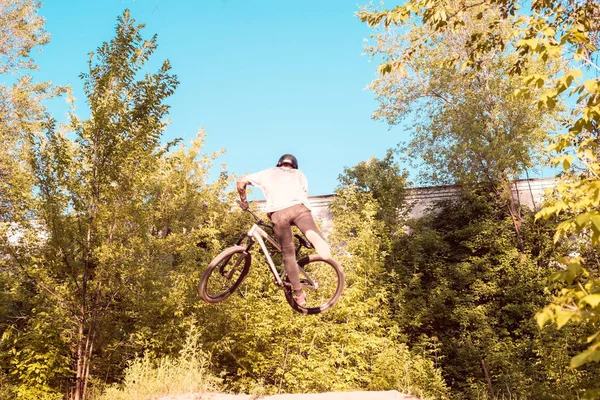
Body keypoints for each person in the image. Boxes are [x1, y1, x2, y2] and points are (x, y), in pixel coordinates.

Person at [237, 154, 333, 306]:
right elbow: (304, 196)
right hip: (299, 209)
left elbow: (241, 182)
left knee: (288, 254)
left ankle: (299, 294)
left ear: (279, 164)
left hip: (278, 213)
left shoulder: (269, 172)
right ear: (294, 166)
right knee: (309, 229)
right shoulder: (300, 175)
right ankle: (314, 238)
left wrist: (244, 200)